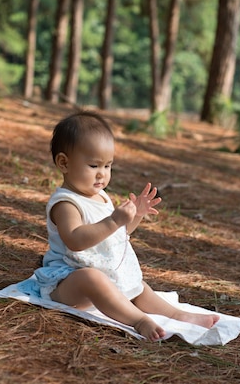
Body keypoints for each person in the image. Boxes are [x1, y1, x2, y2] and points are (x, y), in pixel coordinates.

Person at [26, 110, 219, 341]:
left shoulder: (101, 196)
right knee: (92, 278)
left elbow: (116, 236)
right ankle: (138, 320)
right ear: (64, 163)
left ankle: (178, 315)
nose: (102, 175)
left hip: (103, 273)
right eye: (93, 165)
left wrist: (135, 216)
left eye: (108, 166)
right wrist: (114, 220)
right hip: (68, 280)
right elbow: (76, 241)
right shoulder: (66, 203)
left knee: (137, 287)